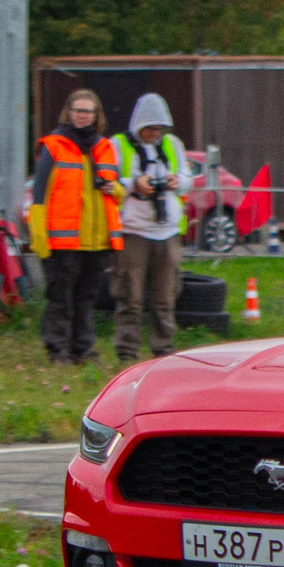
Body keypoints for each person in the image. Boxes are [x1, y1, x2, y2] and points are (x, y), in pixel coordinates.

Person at [28, 89, 121, 366]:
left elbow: (118, 194)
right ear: (68, 112)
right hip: (62, 241)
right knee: (60, 298)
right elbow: (39, 194)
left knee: (86, 298)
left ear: (96, 116)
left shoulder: (105, 147)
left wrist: (114, 188)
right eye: (78, 110)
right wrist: (39, 237)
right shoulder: (52, 146)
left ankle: (83, 349)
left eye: (87, 111)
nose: (82, 116)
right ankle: (58, 350)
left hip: (96, 240)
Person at [109, 93, 193, 363]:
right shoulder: (118, 145)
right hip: (133, 229)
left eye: (159, 129)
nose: (154, 134)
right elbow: (106, 180)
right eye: (149, 128)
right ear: (138, 125)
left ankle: (163, 348)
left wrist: (174, 180)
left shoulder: (172, 145)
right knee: (129, 295)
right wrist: (135, 183)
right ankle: (126, 350)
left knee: (165, 296)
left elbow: (188, 179)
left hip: (167, 230)